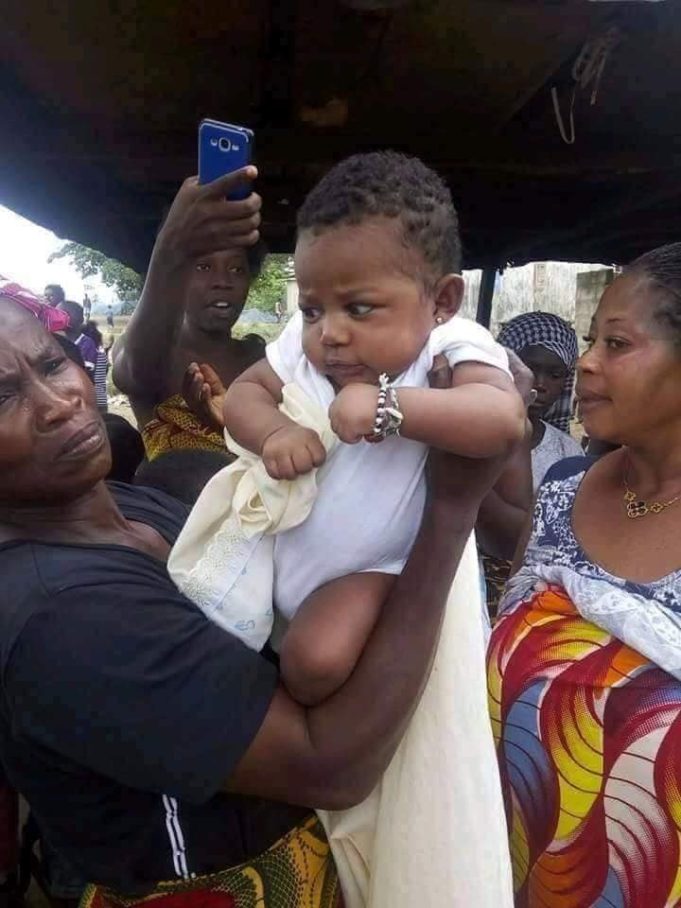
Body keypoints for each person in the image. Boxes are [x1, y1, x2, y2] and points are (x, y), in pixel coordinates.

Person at [0, 288, 511, 908]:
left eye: (53, 363)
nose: (59, 404)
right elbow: (331, 767)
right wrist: (449, 511)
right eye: (4, 397)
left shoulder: (134, 508)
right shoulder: (63, 615)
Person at [180, 151, 525, 702]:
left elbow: (502, 417)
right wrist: (274, 433)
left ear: (442, 300)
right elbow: (245, 393)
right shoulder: (301, 347)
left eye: (359, 309)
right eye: (313, 309)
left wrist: (389, 406)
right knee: (201, 627)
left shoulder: (451, 342)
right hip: (280, 560)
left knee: (314, 661)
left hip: (376, 569)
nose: (330, 333)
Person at [488, 242, 681, 908]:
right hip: (512, 873)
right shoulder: (559, 496)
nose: (586, 362)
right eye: (591, 339)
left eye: (616, 344)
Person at [111, 178, 267, 460]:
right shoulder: (152, 355)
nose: (222, 281)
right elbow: (133, 372)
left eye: (236, 269)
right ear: (178, 273)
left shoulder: (262, 359)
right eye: (204, 266)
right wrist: (171, 245)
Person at [498, 311, 583, 491]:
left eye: (555, 375)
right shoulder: (470, 436)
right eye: (529, 370)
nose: (541, 384)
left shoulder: (568, 453)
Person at [57, 301, 98, 382]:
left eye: (64, 314)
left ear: (80, 319)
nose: (58, 318)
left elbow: (86, 373)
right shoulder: (55, 340)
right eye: (56, 314)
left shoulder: (87, 344)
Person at [82, 320, 109, 412]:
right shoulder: (102, 355)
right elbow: (103, 376)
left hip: (87, 401)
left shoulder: (81, 356)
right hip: (102, 400)